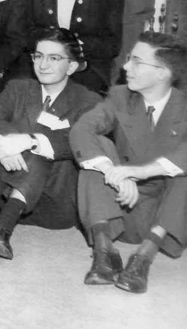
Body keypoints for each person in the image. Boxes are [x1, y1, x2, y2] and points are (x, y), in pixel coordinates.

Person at [0, 28, 102, 260]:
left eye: (54, 58)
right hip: (1, 195)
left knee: (37, 147)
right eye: (38, 56)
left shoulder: (88, 100)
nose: (43, 64)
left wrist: (28, 141)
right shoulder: (18, 88)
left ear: (72, 66)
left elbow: (79, 141)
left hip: (51, 202)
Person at [70, 32, 187, 294]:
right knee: (97, 151)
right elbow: (82, 129)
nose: (126, 67)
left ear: (162, 72)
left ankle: (143, 258)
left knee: (183, 171)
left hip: (165, 217)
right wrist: (115, 173)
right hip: (118, 210)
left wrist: (142, 171)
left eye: (136, 61)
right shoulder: (120, 96)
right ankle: (104, 252)